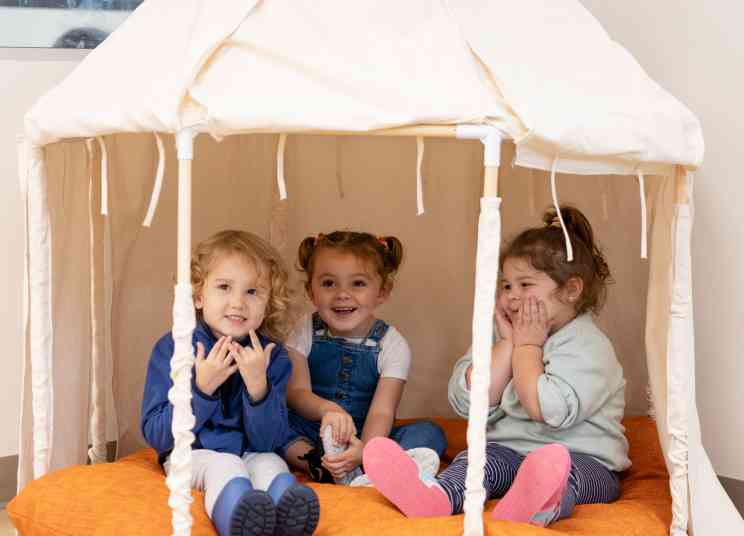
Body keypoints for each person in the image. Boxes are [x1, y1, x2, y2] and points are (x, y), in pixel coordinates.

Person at [363, 207, 630, 527]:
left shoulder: (588, 345)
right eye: (506, 286)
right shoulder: (499, 332)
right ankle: (436, 496)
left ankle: (540, 504)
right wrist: (507, 344)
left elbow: (547, 410)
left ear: (571, 290)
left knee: (567, 477)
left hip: (584, 459)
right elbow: (469, 401)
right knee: (476, 462)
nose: (512, 297)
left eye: (525, 285)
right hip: (508, 452)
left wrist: (528, 347)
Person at [141, 230, 319, 536]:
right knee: (225, 466)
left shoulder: (272, 356)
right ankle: (238, 521)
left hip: (250, 451)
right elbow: (158, 435)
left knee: (269, 463)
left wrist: (258, 389)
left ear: (268, 303)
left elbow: (269, 440)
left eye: (252, 292)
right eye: (224, 287)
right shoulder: (175, 348)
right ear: (199, 295)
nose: (237, 303)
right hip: (191, 455)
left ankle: (287, 517)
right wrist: (201, 390)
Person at [281, 231, 447, 485]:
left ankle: (371, 467)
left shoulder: (392, 344)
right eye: (328, 283)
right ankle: (321, 464)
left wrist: (366, 450)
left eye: (357, 283)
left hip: (365, 433)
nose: (342, 294)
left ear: (382, 291)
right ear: (310, 291)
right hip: (311, 430)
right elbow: (296, 393)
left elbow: (382, 412)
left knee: (430, 432)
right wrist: (328, 410)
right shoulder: (304, 330)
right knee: (271, 422)